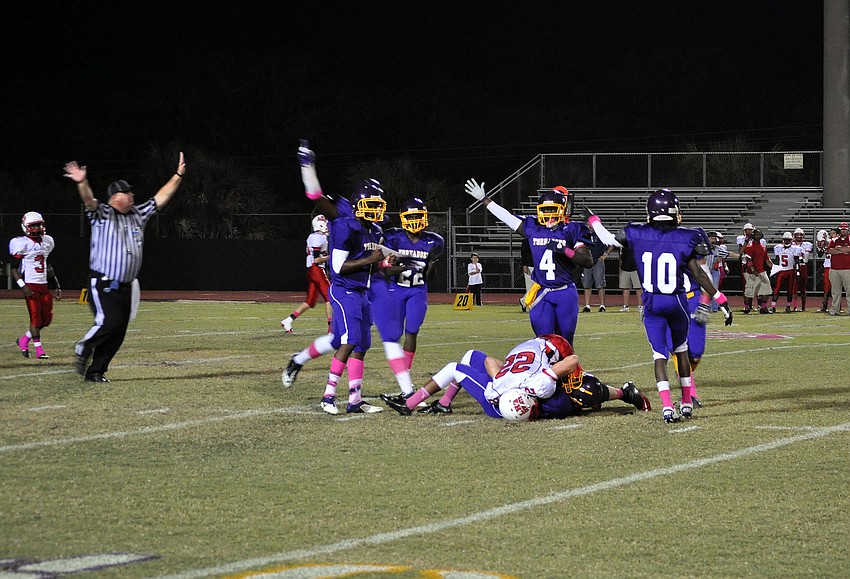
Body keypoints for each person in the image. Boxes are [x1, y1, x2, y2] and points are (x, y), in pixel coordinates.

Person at [585, 188, 732, 423]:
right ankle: (686, 401)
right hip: (677, 301)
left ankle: (666, 406)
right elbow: (699, 272)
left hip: (652, 302)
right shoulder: (687, 236)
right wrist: (720, 299)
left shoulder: (638, 233)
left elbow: (607, 239)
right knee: (682, 350)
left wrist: (594, 220)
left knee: (659, 355)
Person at [286, 140, 390, 414]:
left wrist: (389, 265)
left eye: (378, 204)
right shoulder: (345, 222)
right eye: (371, 203)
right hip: (344, 291)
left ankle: (354, 400)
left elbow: (374, 265)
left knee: (360, 344)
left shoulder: (373, 230)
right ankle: (328, 396)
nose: (376, 209)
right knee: (347, 341)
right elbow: (339, 266)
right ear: (357, 204)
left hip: (363, 292)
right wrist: (307, 165)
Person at [63, 153, 186, 383]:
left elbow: (161, 197)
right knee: (108, 322)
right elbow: (89, 201)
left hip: (127, 286)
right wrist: (82, 182)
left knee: (118, 332)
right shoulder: (103, 214)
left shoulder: (138, 214)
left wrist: (178, 175)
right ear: (116, 197)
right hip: (104, 281)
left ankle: (96, 372)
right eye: (128, 192)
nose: (132, 195)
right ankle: (83, 347)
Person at [381, 333, 651, 420]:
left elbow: (572, 360)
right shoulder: (498, 391)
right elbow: (487, 360)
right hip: (522, 369)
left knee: (584, 388)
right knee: (469, 356)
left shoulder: (519, 387)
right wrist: (502, 373)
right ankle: (440, 404)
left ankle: (622, 393)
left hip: (545, 350)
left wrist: (567, 372)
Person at [465, 179, 593, 343]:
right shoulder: (533, 226)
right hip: (541, 291)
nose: (549, 214)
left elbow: (587, 260)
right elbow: (507, 217)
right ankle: (544, 368)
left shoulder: (572, 229)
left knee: (565, 340)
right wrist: (485, 200)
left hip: (564, 291)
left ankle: (569, 369)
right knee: (542, 340)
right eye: (545, 209)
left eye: (553, 209)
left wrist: (565, 250)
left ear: (562, 210)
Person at [375, 196, 445, 401]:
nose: (415, 220)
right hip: (396, 290)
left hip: (417, 291)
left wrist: (430, 265)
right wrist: (398, 265)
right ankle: (404, 382)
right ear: (403, 218)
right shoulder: (393, 237)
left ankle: (404, 381)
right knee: (394, 334)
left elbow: (430, 277)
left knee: (412, 332)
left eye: (418, 215)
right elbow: (383, 272)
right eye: (411, 216)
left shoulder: (434, 241)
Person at [9, 211, 62, 359]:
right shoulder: (22, 244)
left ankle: (23, 340)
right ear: (25, 227)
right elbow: (14, 269)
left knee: (46, 320)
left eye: (39, 225)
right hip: (31, 286)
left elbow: (48, 266)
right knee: (35, 319)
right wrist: (23, 286)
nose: (38, 228)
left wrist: (56, 285)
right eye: (34, 225)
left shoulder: (47, 242)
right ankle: (39, 351)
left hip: (44, 286)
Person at [280, 214, 332, 334]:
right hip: (317, 269)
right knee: (330, 297)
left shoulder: (313, 236)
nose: (328, 227)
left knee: (310, 301)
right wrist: (332, 256)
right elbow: (317, 259)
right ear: (320, 225)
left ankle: (288, 320)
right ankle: (331, 329)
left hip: (311, 270)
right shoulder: (319, 238)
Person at [742, 229, 774, 314]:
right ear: (753, 236)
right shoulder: (749, 247)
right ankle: (747, 308)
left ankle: (763, 308)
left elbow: (767, 260)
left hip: (762, 271)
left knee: (767, 290)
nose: (758, 236)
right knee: (749, 291)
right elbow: (748, 261)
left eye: (760, 234)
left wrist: (774, 267)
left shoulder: (763, 247)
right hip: (751, 272)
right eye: (757, 235)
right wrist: (753, 270)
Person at [770, 232, 801, 313]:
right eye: (785, 239)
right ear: (782, 240)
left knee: (790, 289)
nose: (786, 241)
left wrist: (797, 271)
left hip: (790, 270)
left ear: (791, 240)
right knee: (776, 289)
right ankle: (773, 306)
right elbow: (776, 260)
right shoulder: (778, 248)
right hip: (781, 270)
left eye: (788, 240)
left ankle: (788, 306)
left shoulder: (795, 248)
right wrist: (774, 270)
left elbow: (797, 261)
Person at [827, 221, 850, 316]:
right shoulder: (834, 239)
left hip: (847, 268)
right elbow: (829, 250)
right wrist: (843, 250)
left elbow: (848, 250)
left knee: (849, 291)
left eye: (845, 229)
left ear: (848, 229)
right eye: (842, 229)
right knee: (835, 292)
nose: (844, 231)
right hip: (834, 269)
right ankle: (835, 309)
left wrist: (837, 249)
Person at [581, 237, 610, 312]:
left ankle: (602, 305)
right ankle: (587, 305)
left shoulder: (600, 234)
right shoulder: (585, 234)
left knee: (600, 285)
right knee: (587, 285)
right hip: (587, 261)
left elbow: (611, 243)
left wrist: (606, 254)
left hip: (597, 261)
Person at [706, 231, 730, 312]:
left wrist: (740, 256)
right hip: (704, 271)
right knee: (704, 289)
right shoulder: (702, 247)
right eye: (711, 238)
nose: (713, 240)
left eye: (714, 238)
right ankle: (705, 306)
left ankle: (715, 308)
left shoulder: (718, 248)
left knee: (715, 289)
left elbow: (727, 254)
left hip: (714, 271)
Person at [791, 227, 813, 311]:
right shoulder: (791, 244)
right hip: (793, 266)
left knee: (803, 288)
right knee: (794, 288)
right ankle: (795, 306)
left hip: (803, 266)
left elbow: (806, 259)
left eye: (801, 234)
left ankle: (803, 306)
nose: (799, 236)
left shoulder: (807, 244)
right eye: (797, 234)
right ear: (794, 235)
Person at [816, 228, 838, 312]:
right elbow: (820, 255)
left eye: (833, 233)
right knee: (826, 287)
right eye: (831, 233)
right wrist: (820, 247)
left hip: (836, 266)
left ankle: (837, 306)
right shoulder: (827, 243)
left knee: (836, 287)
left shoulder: (837, 242)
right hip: (827, 266)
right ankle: (824, 306)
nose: (832, 235)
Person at [617, 244, 642, 312]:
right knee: (625, 288)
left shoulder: (636, 242)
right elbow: (620, 254)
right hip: (625, 267)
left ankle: (640, 306)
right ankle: (626, 306)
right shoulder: (623, 243)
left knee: (638, 288)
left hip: (636, 268)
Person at [519, 238, 534, 313]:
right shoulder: (526, 241)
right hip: (529, 265)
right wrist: (524, 265)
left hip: (538, 265)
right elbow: (523, 253)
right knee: (530, 286)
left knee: (537, 286)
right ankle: (529, 304)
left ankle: (524, 301)